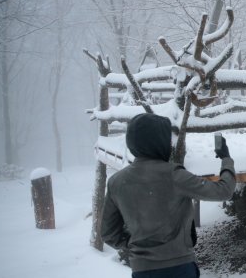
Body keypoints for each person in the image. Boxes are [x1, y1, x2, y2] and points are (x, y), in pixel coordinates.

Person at [101, 113, 236, 278]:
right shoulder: (174, 175)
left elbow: (108, 233)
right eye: (167, 140)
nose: (170, 145)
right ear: (159, 142)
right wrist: (226, 159)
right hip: (179, 268)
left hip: (142, 270)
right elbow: (223, 191)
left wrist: (134, 245)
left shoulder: (116, 182)